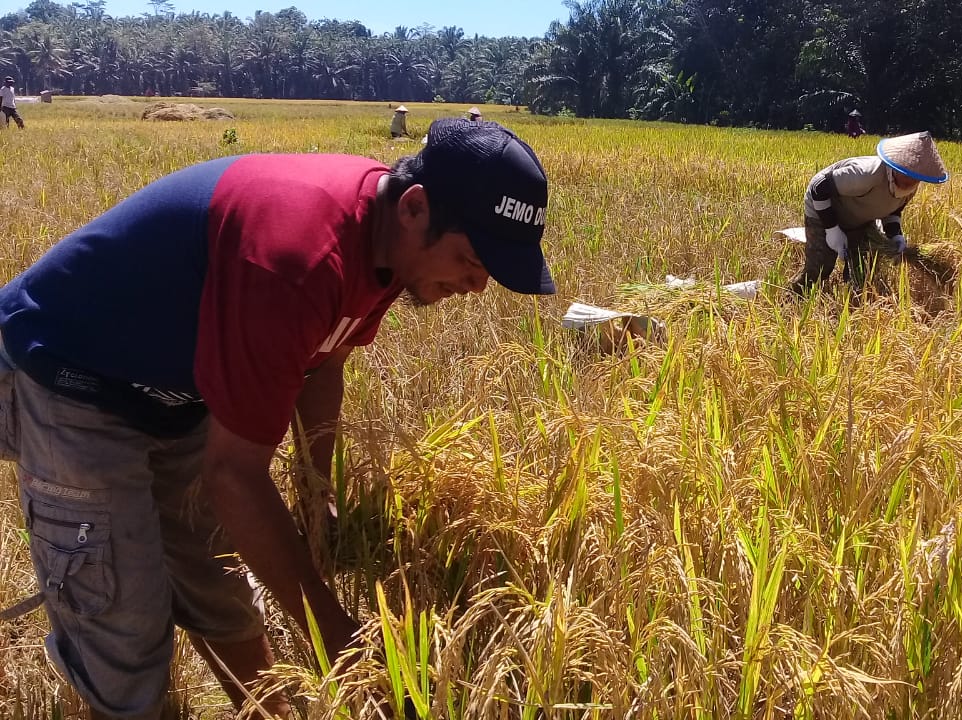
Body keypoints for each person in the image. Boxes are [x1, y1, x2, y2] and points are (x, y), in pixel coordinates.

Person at [0, 118, 554, 719]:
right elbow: (234, 475)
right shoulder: (298, 255)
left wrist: (316, 491)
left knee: (217, 586)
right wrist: (340, 637)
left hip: (176, 398)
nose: (476, 286)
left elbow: (324, 365)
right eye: (472, 259)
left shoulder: (390, 249)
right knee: (125, 624)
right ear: (416, 209)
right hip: (73, 379)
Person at [790, 131, 949, 294]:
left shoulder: (910, 188)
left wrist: (896, 235)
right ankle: (792, 296)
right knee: (820, 267)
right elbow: (819, 187)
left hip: (861, 218)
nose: (911, 181)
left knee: (862, 271)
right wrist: (832, 229)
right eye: (907, 174)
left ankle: (851, 300)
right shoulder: (867, 174)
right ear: (897, 166)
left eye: (916, 178)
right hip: (824, 210)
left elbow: (892, 210)